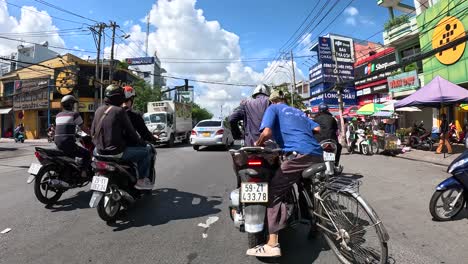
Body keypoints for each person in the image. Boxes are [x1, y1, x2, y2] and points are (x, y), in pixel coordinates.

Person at [247, 90, 322, 257]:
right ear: (285, 99)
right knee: (307, 189)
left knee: (274, 192)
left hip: (298, 155)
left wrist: (258, 145)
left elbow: (266, 133)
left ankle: (272, 243)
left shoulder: (273, 109)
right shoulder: (298, 111)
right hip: (317, 154)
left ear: (272, 101)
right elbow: (317, 128)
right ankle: (316, 226)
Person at [91, 84, 152, 190]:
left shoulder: (98, 110)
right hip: (116, 152)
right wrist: (142, 143)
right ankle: (141, 180)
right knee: (146, 152)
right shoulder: (119, 111)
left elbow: (92, 132)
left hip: (98, 152)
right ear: (119, 98)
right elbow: (132, 133)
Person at [54, 95, 90, 176]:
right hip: (68, 143)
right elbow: (83, 128)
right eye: (73, 104)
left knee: (70, 156)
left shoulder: (58, 115)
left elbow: (64, 127)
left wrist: (75, 134)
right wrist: (93, 134)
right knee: (87, 154)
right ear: (71, 105)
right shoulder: (74, 115)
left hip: (57, 143)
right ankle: (83, 172)